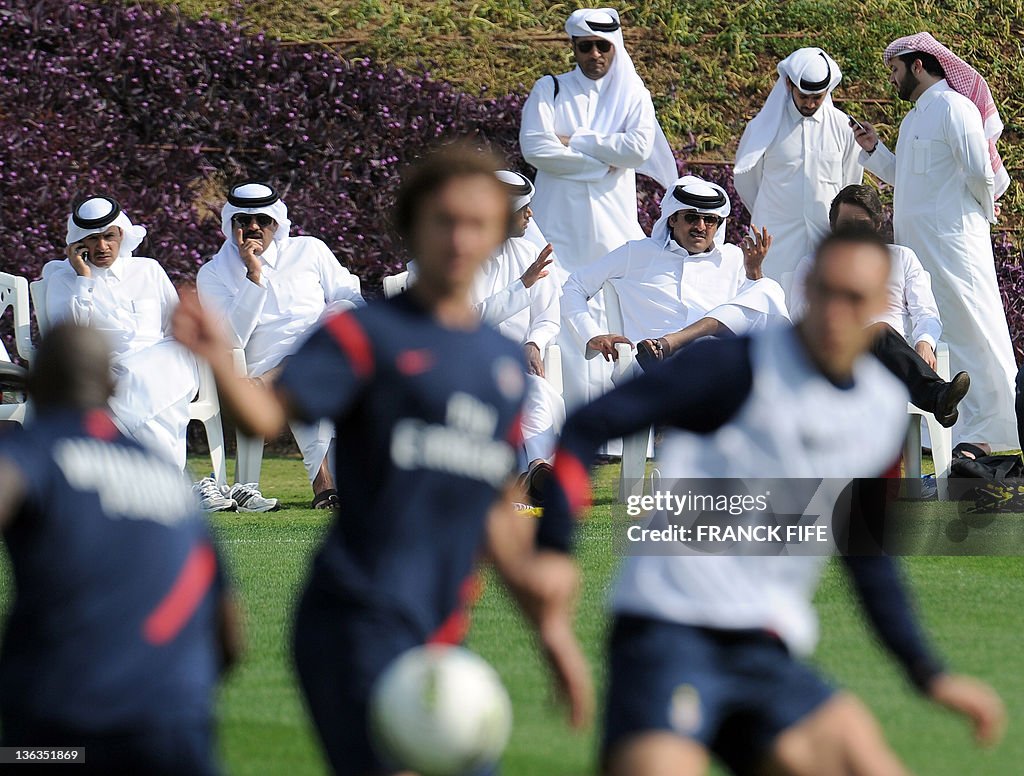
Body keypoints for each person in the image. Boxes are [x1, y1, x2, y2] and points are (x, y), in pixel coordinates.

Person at [173, 145, 593, 776]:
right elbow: (262, 417)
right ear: (412, 227)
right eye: (442, 220)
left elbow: (495, 510)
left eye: (477, 223)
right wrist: (215, 356)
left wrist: (551, 632)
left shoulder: (499, 367)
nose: (459, 238)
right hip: (353, 621)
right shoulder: (362, 335)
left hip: (438, 633)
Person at [542, 226, 1006, 775]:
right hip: (668, 632)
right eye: (827, 292)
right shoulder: (733, 367)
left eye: (855, 299)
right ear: (806, 287)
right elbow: (586, 427)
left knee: (872, 763)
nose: (836, 313)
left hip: (765, 648)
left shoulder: (879, 411)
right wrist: (552, 549)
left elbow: (867, 557)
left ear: (880, 305)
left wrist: (928, 673)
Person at [0, 322, 242, 776]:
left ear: (33, 387)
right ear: (112, 385)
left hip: (65, 724)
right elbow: (229, 635)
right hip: (177, 725)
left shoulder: (37, 449)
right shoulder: (169, 479)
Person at [853, 32, 1017, 453]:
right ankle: (957, 432)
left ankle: (999, 428)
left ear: (918, 66)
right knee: (940, 335)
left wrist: (978, 217)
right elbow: (908, 179)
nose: (892, 79)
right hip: (922, 251)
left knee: (975, 330)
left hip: (956, 245)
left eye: (894, 69)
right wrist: (874, 150)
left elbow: (981, 174)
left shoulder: (954, 107)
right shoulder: (913, 119)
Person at [519, 6, 677, 414]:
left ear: (615, 47)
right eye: (585, 46)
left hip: (613, 229)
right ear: (573, 46)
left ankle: (614, 424)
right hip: (557, 226)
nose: (594, 55)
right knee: (556, 313)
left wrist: (577, 140)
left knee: (614, 316)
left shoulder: (633, 95)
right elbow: (536, 148)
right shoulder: (550, 89)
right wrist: (601, 162)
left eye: (602, 46)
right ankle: (559, 421)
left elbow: (639, 148)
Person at [197, 182, 365, 510]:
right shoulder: (213, 273)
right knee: (307, 373)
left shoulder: (309, 250)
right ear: (231, 224)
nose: (254, 227)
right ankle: (324, 484)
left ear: (277, 223)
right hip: (260, 359)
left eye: (263, 220)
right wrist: (253, 277)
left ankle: (329, 483)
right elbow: (230, 339)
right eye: (243, 221)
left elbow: (351, 297)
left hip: (323, 346)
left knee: (339, 323)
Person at [44, 197, 208, 482]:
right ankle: (170, 478)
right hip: (106, 371)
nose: (102, 246)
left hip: (162, 364)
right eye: (92, 239)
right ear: (79, 243)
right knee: (150, 387)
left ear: (121, 234)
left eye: (109, 236)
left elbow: (176, 330)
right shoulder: (61, 279)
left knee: (162, 368)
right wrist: (84, 280)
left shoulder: (148, 270)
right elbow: (68, 337)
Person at [788, 184, 970, 426]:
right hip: (838, 357)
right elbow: (801, 317)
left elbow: (926, 311)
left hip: (898, 360)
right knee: (878, 330)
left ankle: (937, 397)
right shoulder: (814, 266)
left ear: (876, 226)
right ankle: (937, 397)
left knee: (881, 332)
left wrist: (925, 341)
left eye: (861, 226)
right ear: (833, 229)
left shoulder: (902, 258)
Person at [561, 175, 788, 365]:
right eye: (691, 218)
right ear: (672, 219)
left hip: (717, 365)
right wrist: (592, 335)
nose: (700, 227)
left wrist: (754, 273)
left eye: (709, 220)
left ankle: (673, 342)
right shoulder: (637, 253)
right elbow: (575, 286)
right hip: (654, 368)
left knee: (768, 288)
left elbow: (756, 317)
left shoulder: (735, 258)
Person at [735, 47, 864, 293]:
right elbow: (747, 180)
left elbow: (850, 181)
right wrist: (774, 211)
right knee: (774, 302)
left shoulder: (842, 127)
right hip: (776, 236)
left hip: (824, 235)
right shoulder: (765, 127)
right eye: (804, 96)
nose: (810, 103)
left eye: (818, 97)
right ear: (788, 85)